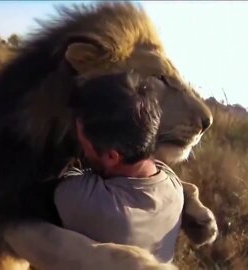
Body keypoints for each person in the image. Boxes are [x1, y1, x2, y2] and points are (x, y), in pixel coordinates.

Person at [53, 72, 184, 263]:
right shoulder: (174, 187)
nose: (81, 150)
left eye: (83, 144)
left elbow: (64, 181)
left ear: (112, 156)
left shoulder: (86, 201)